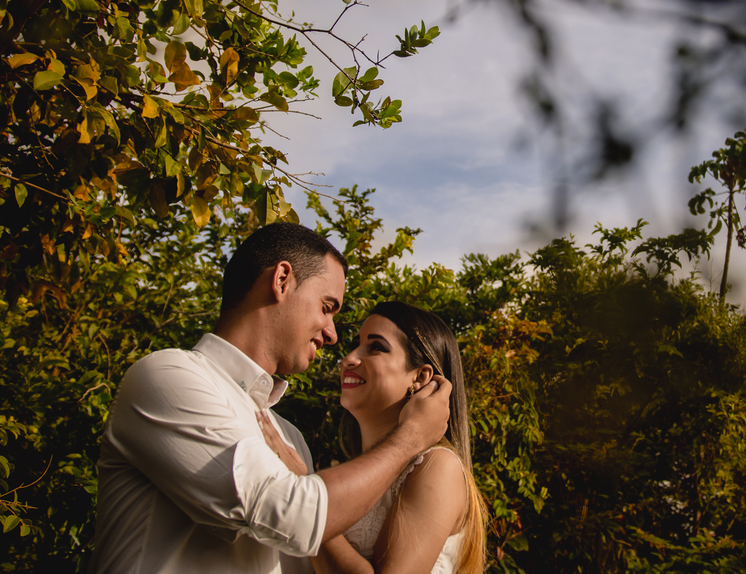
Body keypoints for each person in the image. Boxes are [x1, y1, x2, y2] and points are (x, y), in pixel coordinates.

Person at [89, 223, 452, 574]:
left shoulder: (290, 438)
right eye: (327, 307)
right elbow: (293, 515)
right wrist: (410, 438)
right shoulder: (168, 376)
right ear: (281, 281)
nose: (332, 335)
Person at [261, 301, 486, 574]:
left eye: (376, 347)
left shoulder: (437, 466)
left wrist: (307, 501)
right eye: (355, 345)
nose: (349, 359)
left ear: (420, 377)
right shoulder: (349, 470)